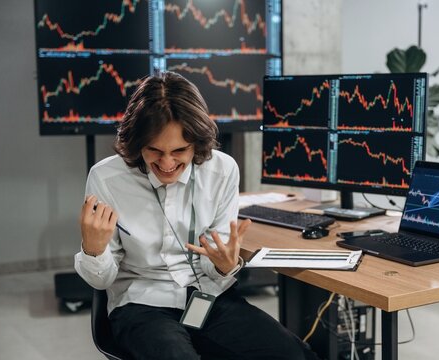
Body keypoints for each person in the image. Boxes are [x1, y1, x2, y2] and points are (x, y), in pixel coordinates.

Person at [75, 71, 319, 360]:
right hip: (141, 303)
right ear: (137, 143)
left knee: (295, 355)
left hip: (207, 295)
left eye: (179, 150)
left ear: (197, 143)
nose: (166, 163)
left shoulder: (222, 170)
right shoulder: (107, 178)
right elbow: (101, 282)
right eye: (154, 150)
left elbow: (216, 265)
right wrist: (93, 250)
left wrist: (224, 266)